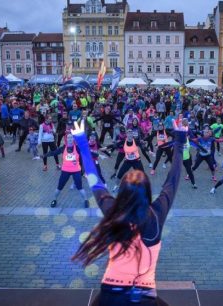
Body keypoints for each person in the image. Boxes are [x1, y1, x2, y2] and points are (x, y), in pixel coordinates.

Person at [71, 119, 187, 306]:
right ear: (148, 193)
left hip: (111, 293)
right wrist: (180, 140)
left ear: (122, 193)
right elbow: (172, 180)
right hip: (144, 296)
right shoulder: (157, 214)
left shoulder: (112, 210)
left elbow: (94, 179)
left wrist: (81, 141)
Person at [45, 133, 89, 208]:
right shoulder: (63, 148)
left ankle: (85, 200)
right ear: (66, 139)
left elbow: (87, 153)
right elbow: (53, 153)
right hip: (65, 171)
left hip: (76, 171)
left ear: (73, 139)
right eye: (68, 137)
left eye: (71, 137)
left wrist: (98, 155)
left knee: (80, 187)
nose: (70, 139)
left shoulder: (78, 148)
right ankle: (54, 199)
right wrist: (42, 156)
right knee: (59, 187)